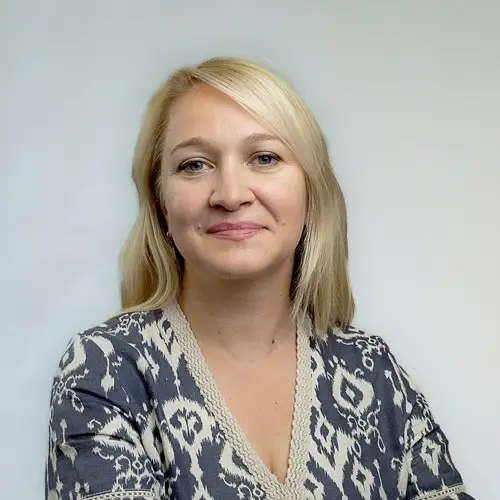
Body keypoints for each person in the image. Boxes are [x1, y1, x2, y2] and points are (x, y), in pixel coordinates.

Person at [45, 57, 474, 500]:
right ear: (161, 204)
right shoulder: (106, 369)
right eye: (194, 165)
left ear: (311, 192)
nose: (231, 195)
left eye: (265, 158)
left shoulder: (372, 371)